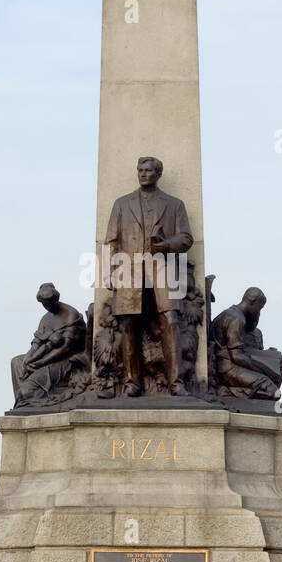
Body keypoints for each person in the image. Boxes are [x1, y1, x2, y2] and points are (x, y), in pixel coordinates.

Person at [104, 156, 193, 396]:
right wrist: (108, 273)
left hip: (163, 269)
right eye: (140, 170)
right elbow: (111, 241)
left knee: (171, 321)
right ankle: (132, 382)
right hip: (129, 269)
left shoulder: (174, 204)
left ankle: (177, 382)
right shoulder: (122, 204)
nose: (143, 174)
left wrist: (167, 245)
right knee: (128, 325)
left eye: (149, 170)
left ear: (158, 173)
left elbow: (186, 238)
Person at [211, 288, 282, 400]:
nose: (259, 312)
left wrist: (266, 355)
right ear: (252, 301)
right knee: (274, 393)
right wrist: (266, 368)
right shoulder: (236, 319)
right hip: (227, 369)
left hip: (233, 365)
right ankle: (225, 392)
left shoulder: (233, 314)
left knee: (281, 360)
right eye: (259, 308)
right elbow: (237, 356)